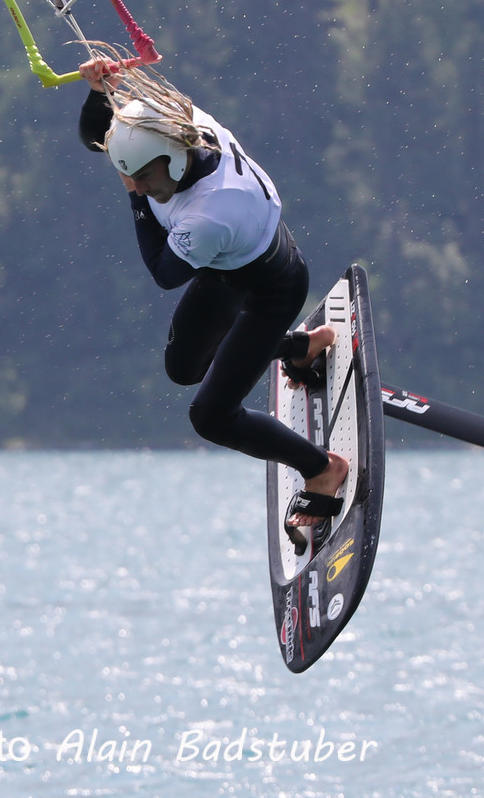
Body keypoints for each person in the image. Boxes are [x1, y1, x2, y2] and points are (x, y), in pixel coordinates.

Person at [77, 53, 346, 553]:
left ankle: (322, 469)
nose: (136, 186)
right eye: (130, 176)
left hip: (270, 287)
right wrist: (100, 92)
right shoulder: (173, 124)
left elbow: (163, 272)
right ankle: (300, 348)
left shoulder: (208, 215)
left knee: (212, 415)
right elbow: (98, 138)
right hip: (229, 269)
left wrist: (134, 198)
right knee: (183, 368)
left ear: (173, 161)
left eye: (142, 178)